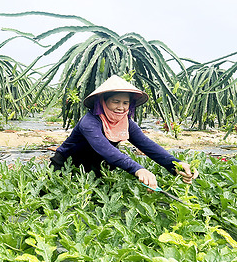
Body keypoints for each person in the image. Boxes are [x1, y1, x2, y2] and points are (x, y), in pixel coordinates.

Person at [50, 75, 198, 190]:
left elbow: (147, 145)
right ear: (103, 101)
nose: (121, 107)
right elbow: (107, 150)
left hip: (96, 170)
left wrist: (176, 164)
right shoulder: (89, 122)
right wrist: (138, 169)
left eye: (125, 103)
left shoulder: (126, 122)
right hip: (65, 167)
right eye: (115, 101)